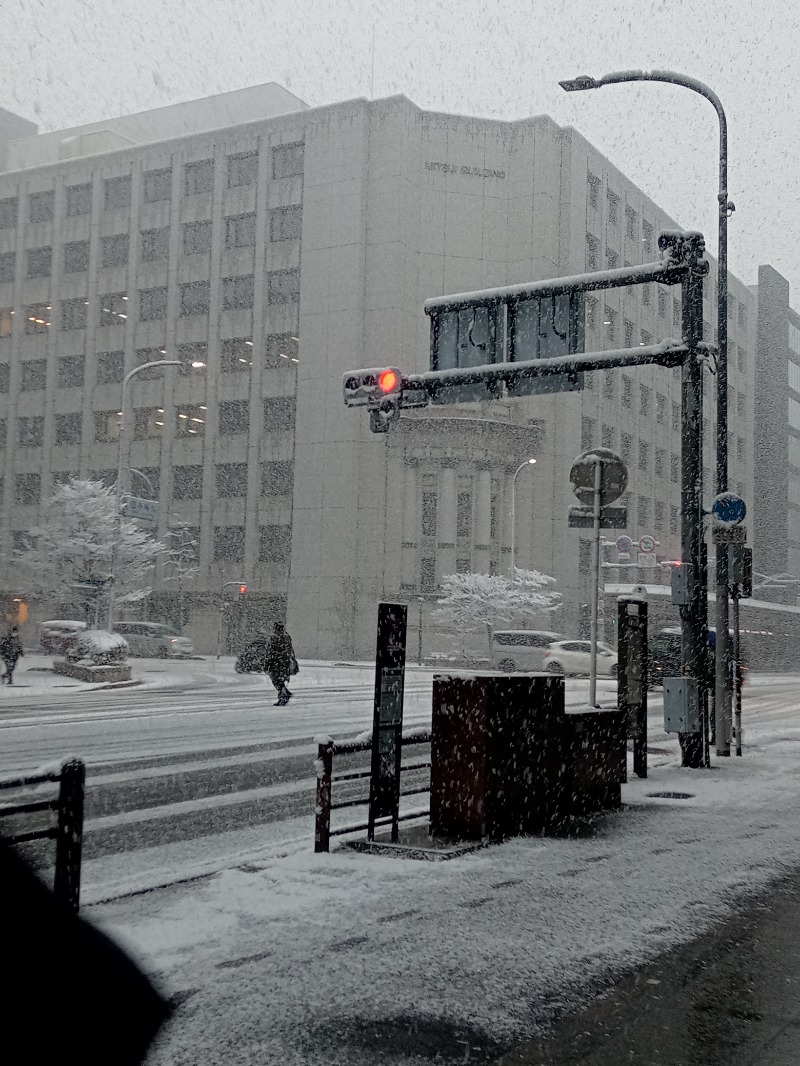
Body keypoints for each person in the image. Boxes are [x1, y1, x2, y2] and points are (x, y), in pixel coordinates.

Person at [265, 621, 297, 706]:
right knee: (281, 680)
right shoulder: (287, 637)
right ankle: (284, 695)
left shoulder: (274, 638)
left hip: (276, 662)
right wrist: (292, 659)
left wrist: (267, 662)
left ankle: (284, 695)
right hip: (285, 662)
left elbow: (271, 651)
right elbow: (290, 650)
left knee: (276, 680)